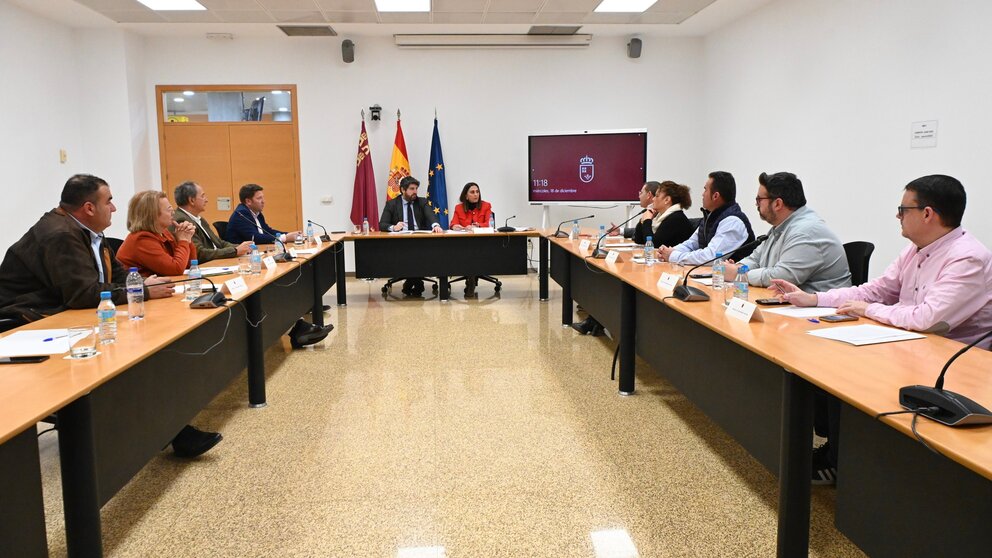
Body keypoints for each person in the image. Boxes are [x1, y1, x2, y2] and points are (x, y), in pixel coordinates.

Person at [771, 174, 992, 485]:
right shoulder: (915, 250)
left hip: (952, 366)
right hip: (909, 346)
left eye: (903, 209)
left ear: (927, 213)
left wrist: (870, 311)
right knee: (831, 363)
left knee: (850, 375)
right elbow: (874, 291)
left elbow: (929, 319)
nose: (898, 216)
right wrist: (815, 299)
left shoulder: (968, 257)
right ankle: (837, 453)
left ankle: (844, 463)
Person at [0, 174, 220, 458]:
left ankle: (171, 426)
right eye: (110, 201)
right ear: (89, 208)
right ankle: (168, 428)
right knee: (127, 351)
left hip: (59, 311)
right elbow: (83, 294)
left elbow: (117, 276)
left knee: (145, 340)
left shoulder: (87, 232)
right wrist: (142, 289)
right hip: (28, 321)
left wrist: (140, 284)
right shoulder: (60, 234)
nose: (115, 208)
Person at [572, 181, 697, 336]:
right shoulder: (662, 217)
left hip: (668, 273)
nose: (653, 199)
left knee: (621, 284)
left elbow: (653, 243)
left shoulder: (676, 218)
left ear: (667, 200)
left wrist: (647, 221)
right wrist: (643, 219)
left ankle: (596, 322)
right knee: (613, 281)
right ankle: (596, 320)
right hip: (656, 266)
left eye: (657, 196)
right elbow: (639, 238)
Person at [722, 172, 851, 292]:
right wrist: (738, 267)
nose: (756, 205)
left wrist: (739, 274)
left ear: (777, 204)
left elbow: (782, 277)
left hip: (822, 310)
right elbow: (756, 259)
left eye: (759, 200)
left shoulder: (806, 232)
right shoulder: (780, 228)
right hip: (793, 304)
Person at [656, 171, 756, 264]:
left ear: (715, 196)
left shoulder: (733, 221)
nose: (702, 194)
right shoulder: (711, 215)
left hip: (734, 281)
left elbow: (711, 258)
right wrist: (669, 251)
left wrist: (673, 256)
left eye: (705, 190)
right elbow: (691, 244)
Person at [379, 176, 442, 296]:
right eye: (412, 189)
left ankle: (410, 282)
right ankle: (417, 282)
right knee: (410, 253)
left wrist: (435, 225)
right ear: (403, 189)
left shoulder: (422, 201)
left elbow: (431, 216)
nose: (415, 192)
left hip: (419, 240)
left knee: (417, 252)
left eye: (416, 189)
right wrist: (393, 227)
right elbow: (382, 224)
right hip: (400, 242)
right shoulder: (392, 204)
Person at [116, 191, 197, 277]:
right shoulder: (142, 239)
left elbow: (189, 265)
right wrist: (183, 240)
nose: (173, 213)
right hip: (138, 289)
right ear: (152, 215)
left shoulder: (163, 232)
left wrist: (187, 238)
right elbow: (175, 269)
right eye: (169, 210)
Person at [172, 181, 252, 263]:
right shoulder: (181, 221)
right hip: (205, 266)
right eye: (203, 196)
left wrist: (242, 247)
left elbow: (219, 243)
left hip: (216, 262)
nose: (206, 200)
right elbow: (200, 253)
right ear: (192, 200)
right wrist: (235, 251)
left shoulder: (199, 219)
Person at [450, 182, 492, 297]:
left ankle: (471, 279)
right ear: (466, 196)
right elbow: (453, 224)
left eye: (477, 192)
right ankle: (471, 278)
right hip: (464, 244)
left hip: (482, 243)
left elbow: (489, 224)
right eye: (472, 192)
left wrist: (478, 226)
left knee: (473, 253)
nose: (476, 195)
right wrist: (457, 227)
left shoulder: (486, 206)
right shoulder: (459, 208)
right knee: (468, 252)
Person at [225, 183, 302, 245]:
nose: (263, 201)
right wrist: (284, 238)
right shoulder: (241, 214)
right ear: (248, 201)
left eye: (263, 197)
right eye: (259, 198)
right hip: (241, 257)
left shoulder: (256, 212)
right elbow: (255, 238)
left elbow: (267, 231)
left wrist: (290, 234)